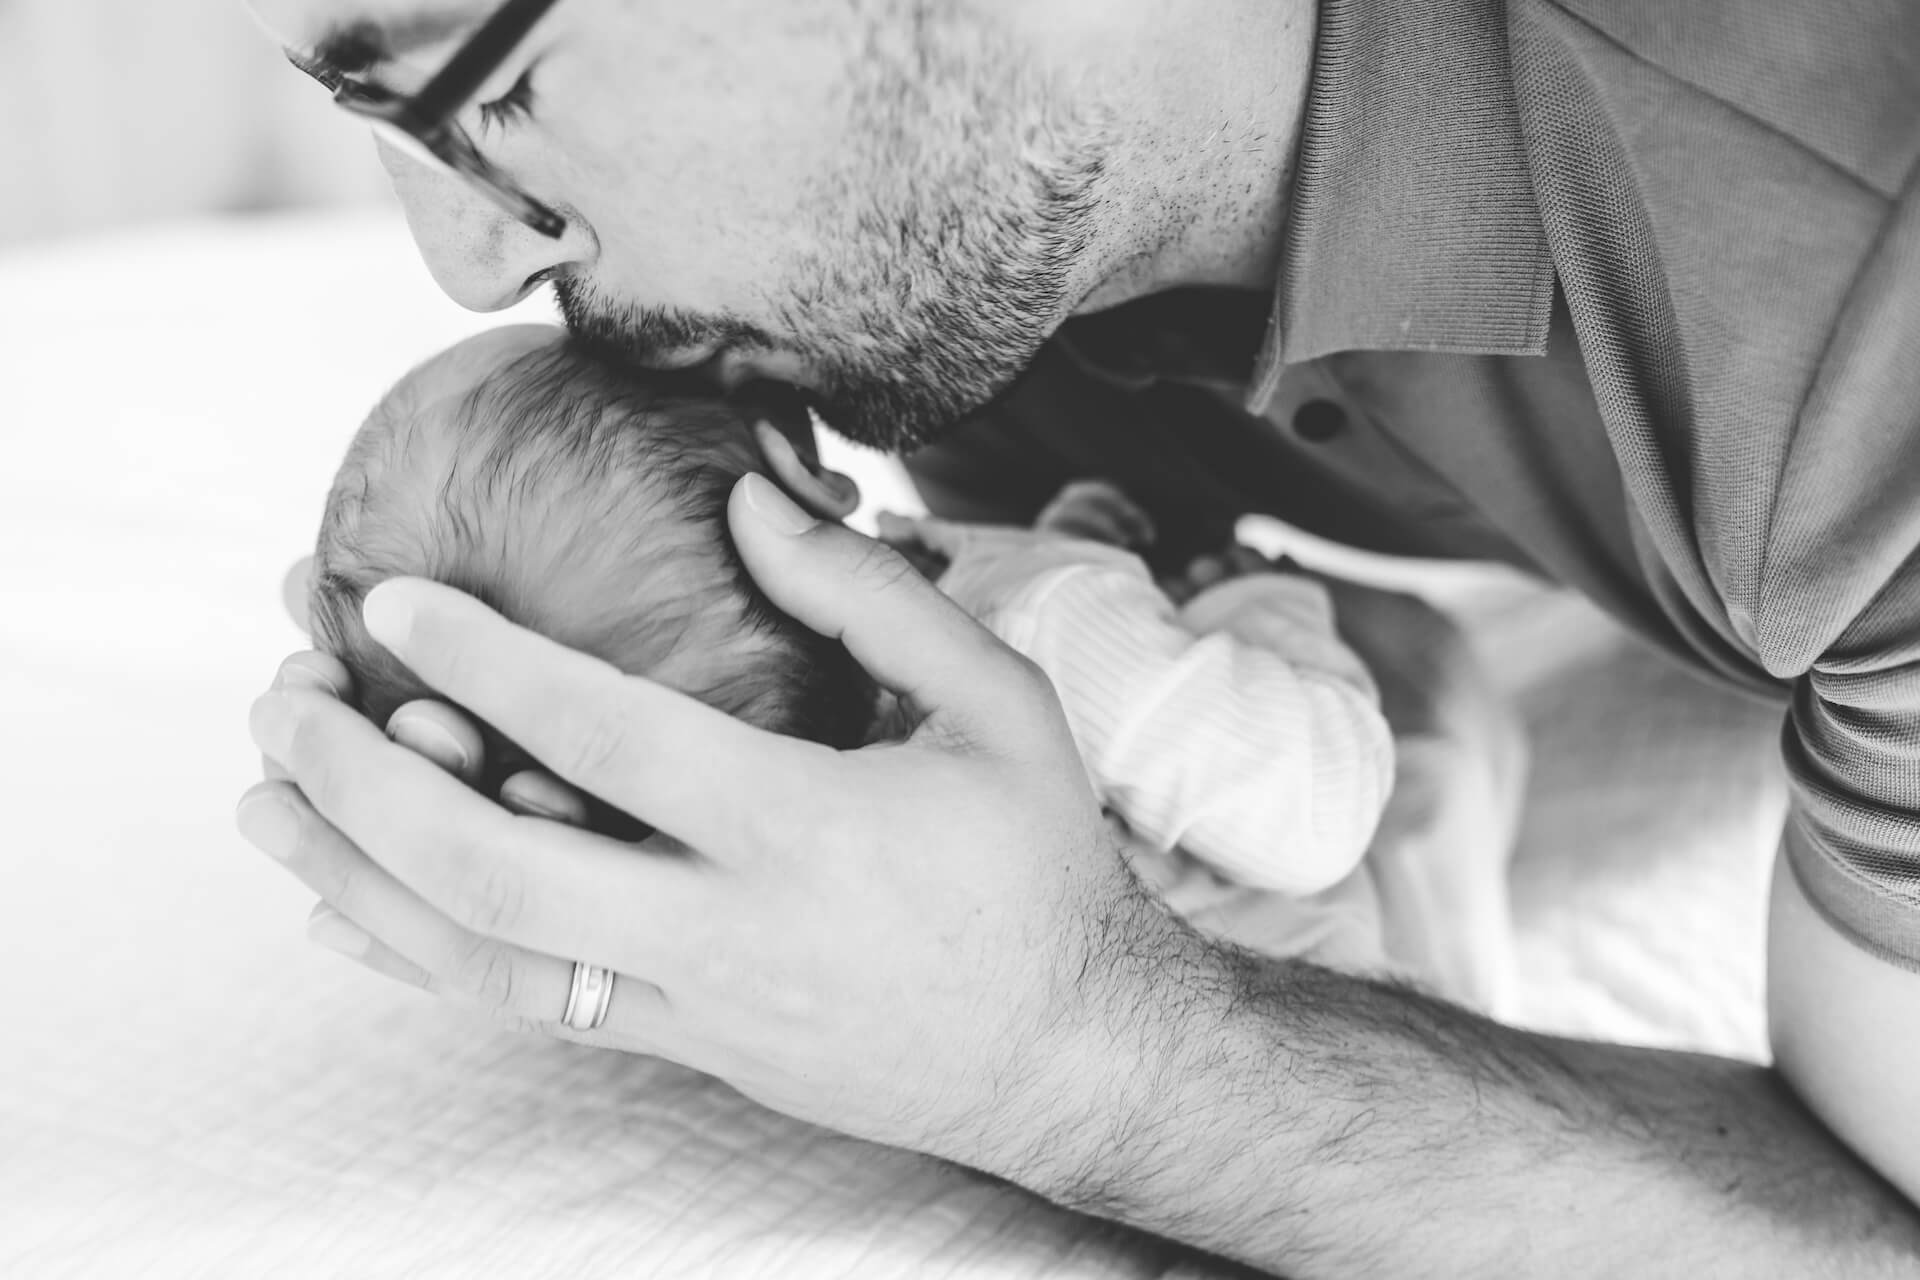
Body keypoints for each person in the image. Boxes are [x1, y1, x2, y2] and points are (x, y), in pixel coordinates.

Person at [236, 0, 1920, 1273]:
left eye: (491, 87)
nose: (466, 267)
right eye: (368, 115)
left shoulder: (1869, 306)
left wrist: (1073, 1050)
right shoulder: (948, 261)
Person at [308, 323, 1520, 1002]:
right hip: (1356, 1019)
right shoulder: (1045, 631)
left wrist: (1077, 548)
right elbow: (1316, 814)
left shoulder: (745, 881)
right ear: (797, 464)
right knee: (1434, 697)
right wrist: (1243, 597)